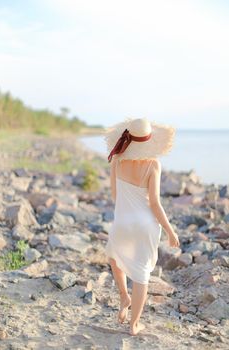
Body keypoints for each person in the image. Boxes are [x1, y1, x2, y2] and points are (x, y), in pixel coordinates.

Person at [103, 117, 180, 336]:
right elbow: (155, 203)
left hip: (122, 220)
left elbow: (115, 195)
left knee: (113, 255)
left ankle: (123, 295)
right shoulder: (153, 164)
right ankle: (134, 324)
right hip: (144, 224)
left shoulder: (117, 159)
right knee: (141, 274)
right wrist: (170, 230)